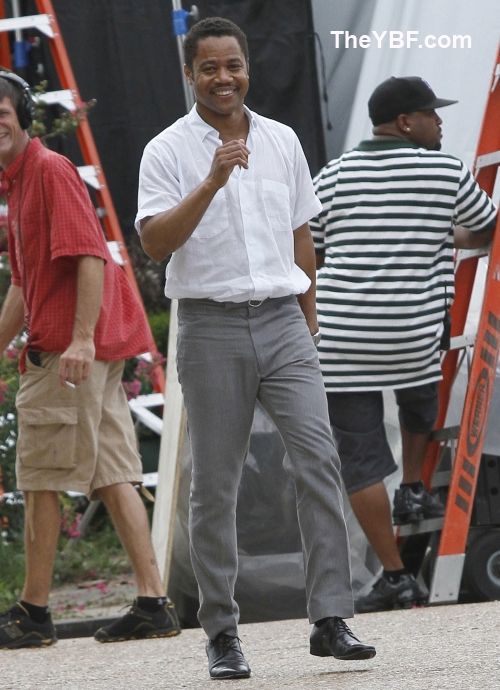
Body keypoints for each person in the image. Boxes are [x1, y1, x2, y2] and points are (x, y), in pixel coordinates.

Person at [136, 16, 375, 681]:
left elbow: (301, 234)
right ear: (190, 74)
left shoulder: (282, 140)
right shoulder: (166, 150)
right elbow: (154, 244)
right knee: (215, 485)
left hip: (283, 321)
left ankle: (331, 617)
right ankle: (221, 631)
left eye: (233, 65)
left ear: (248, 68)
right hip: (209, 326)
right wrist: (211, 181)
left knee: (319, 461)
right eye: (210, 68)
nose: (224, 78)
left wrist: (309, 321)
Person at [0, 71, 181, 648]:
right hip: (90, 351)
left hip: (69, 352)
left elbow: (90, 257)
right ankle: (153, 603)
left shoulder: (48, 171)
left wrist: (79, 340)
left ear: (23, 117)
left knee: (40, 478)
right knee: (113, 473)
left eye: (1, 114)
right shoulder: (17, 180)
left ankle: (33, 614)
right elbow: (24, 283)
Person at [311, 76, 498, 613]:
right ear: (404, 122)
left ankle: (394, 576)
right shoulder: (445, 171)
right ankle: (414, 484)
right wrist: (440, 234)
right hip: (413, 331)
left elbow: (313, 246)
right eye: (431, 114)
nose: (439, 122)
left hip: (341, 336)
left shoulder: (334, 174)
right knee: (420, 402)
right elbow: (488, 229)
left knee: (361, 459)